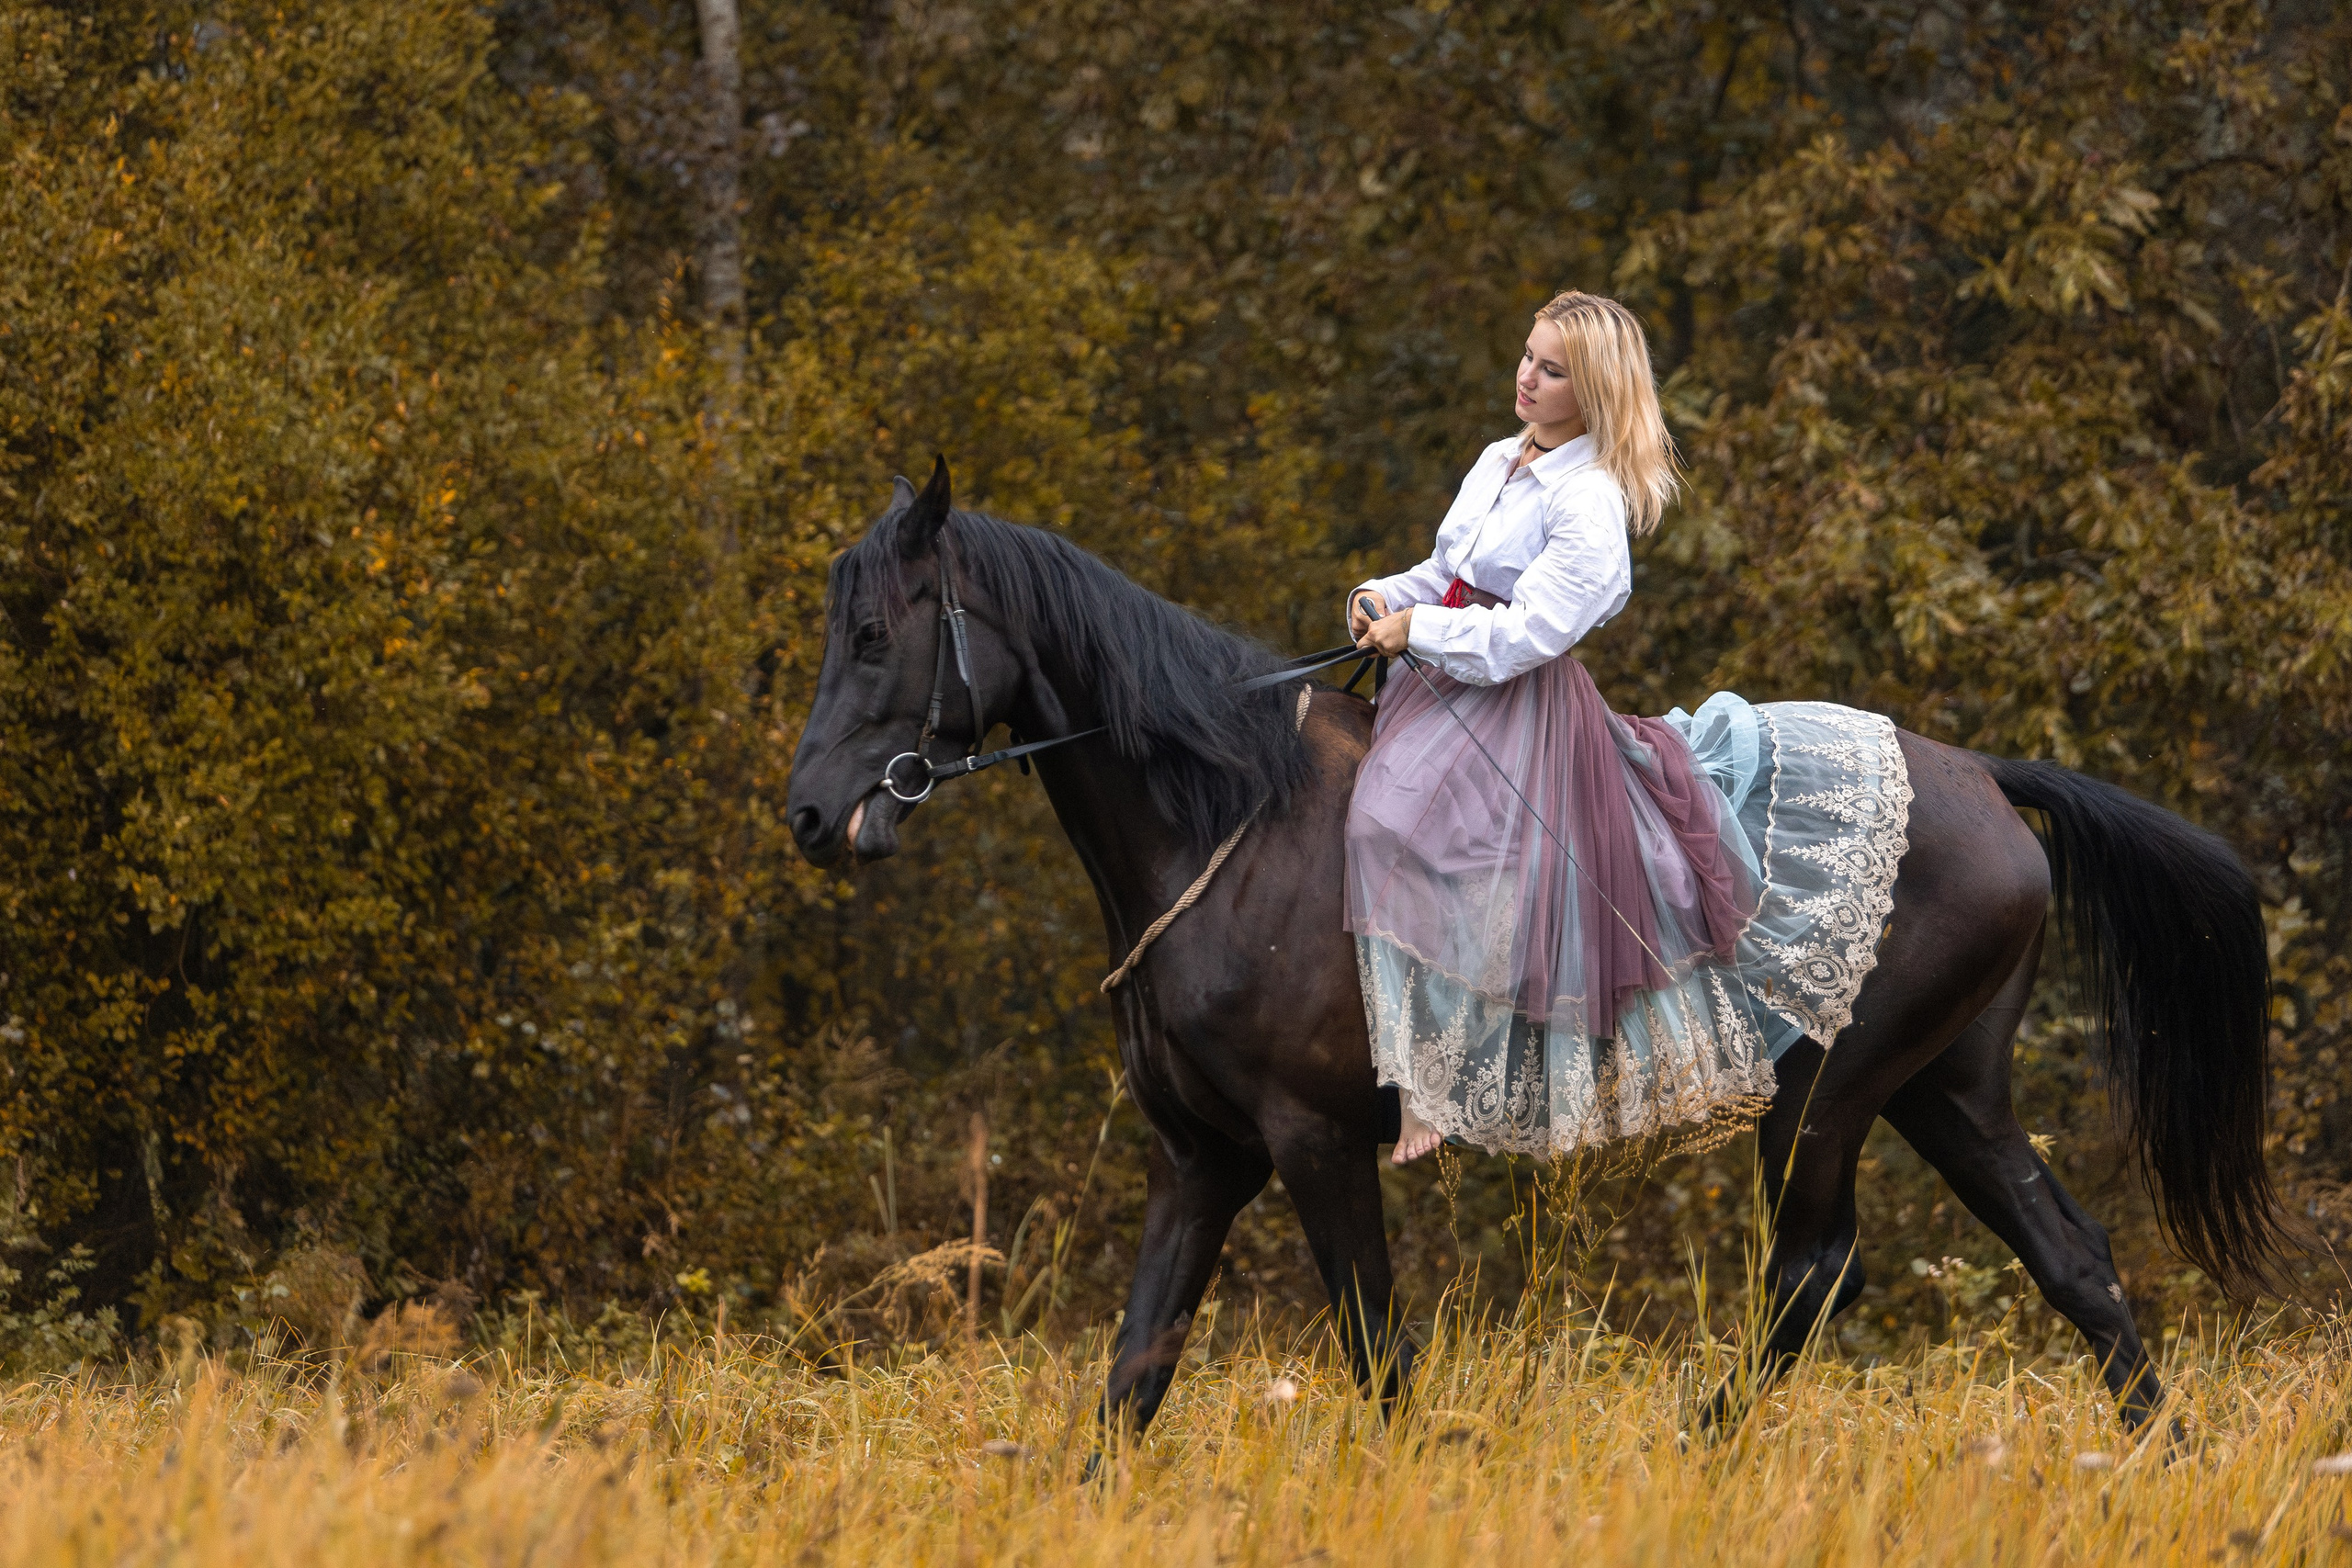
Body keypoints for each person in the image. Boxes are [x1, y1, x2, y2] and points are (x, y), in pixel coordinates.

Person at [1343, 290, 1911, 1167]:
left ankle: (1434, 1081)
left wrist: (1421, 631)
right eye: (1528, 356)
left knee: (1397, 823)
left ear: (1596, 391)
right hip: (1439, 684)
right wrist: (1385, 596)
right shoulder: (1500, 457)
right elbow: (1444, 571)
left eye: (1552, 369)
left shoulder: (1590, 500)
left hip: (1515, 702)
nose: (1527, 377)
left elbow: (1532, 632)